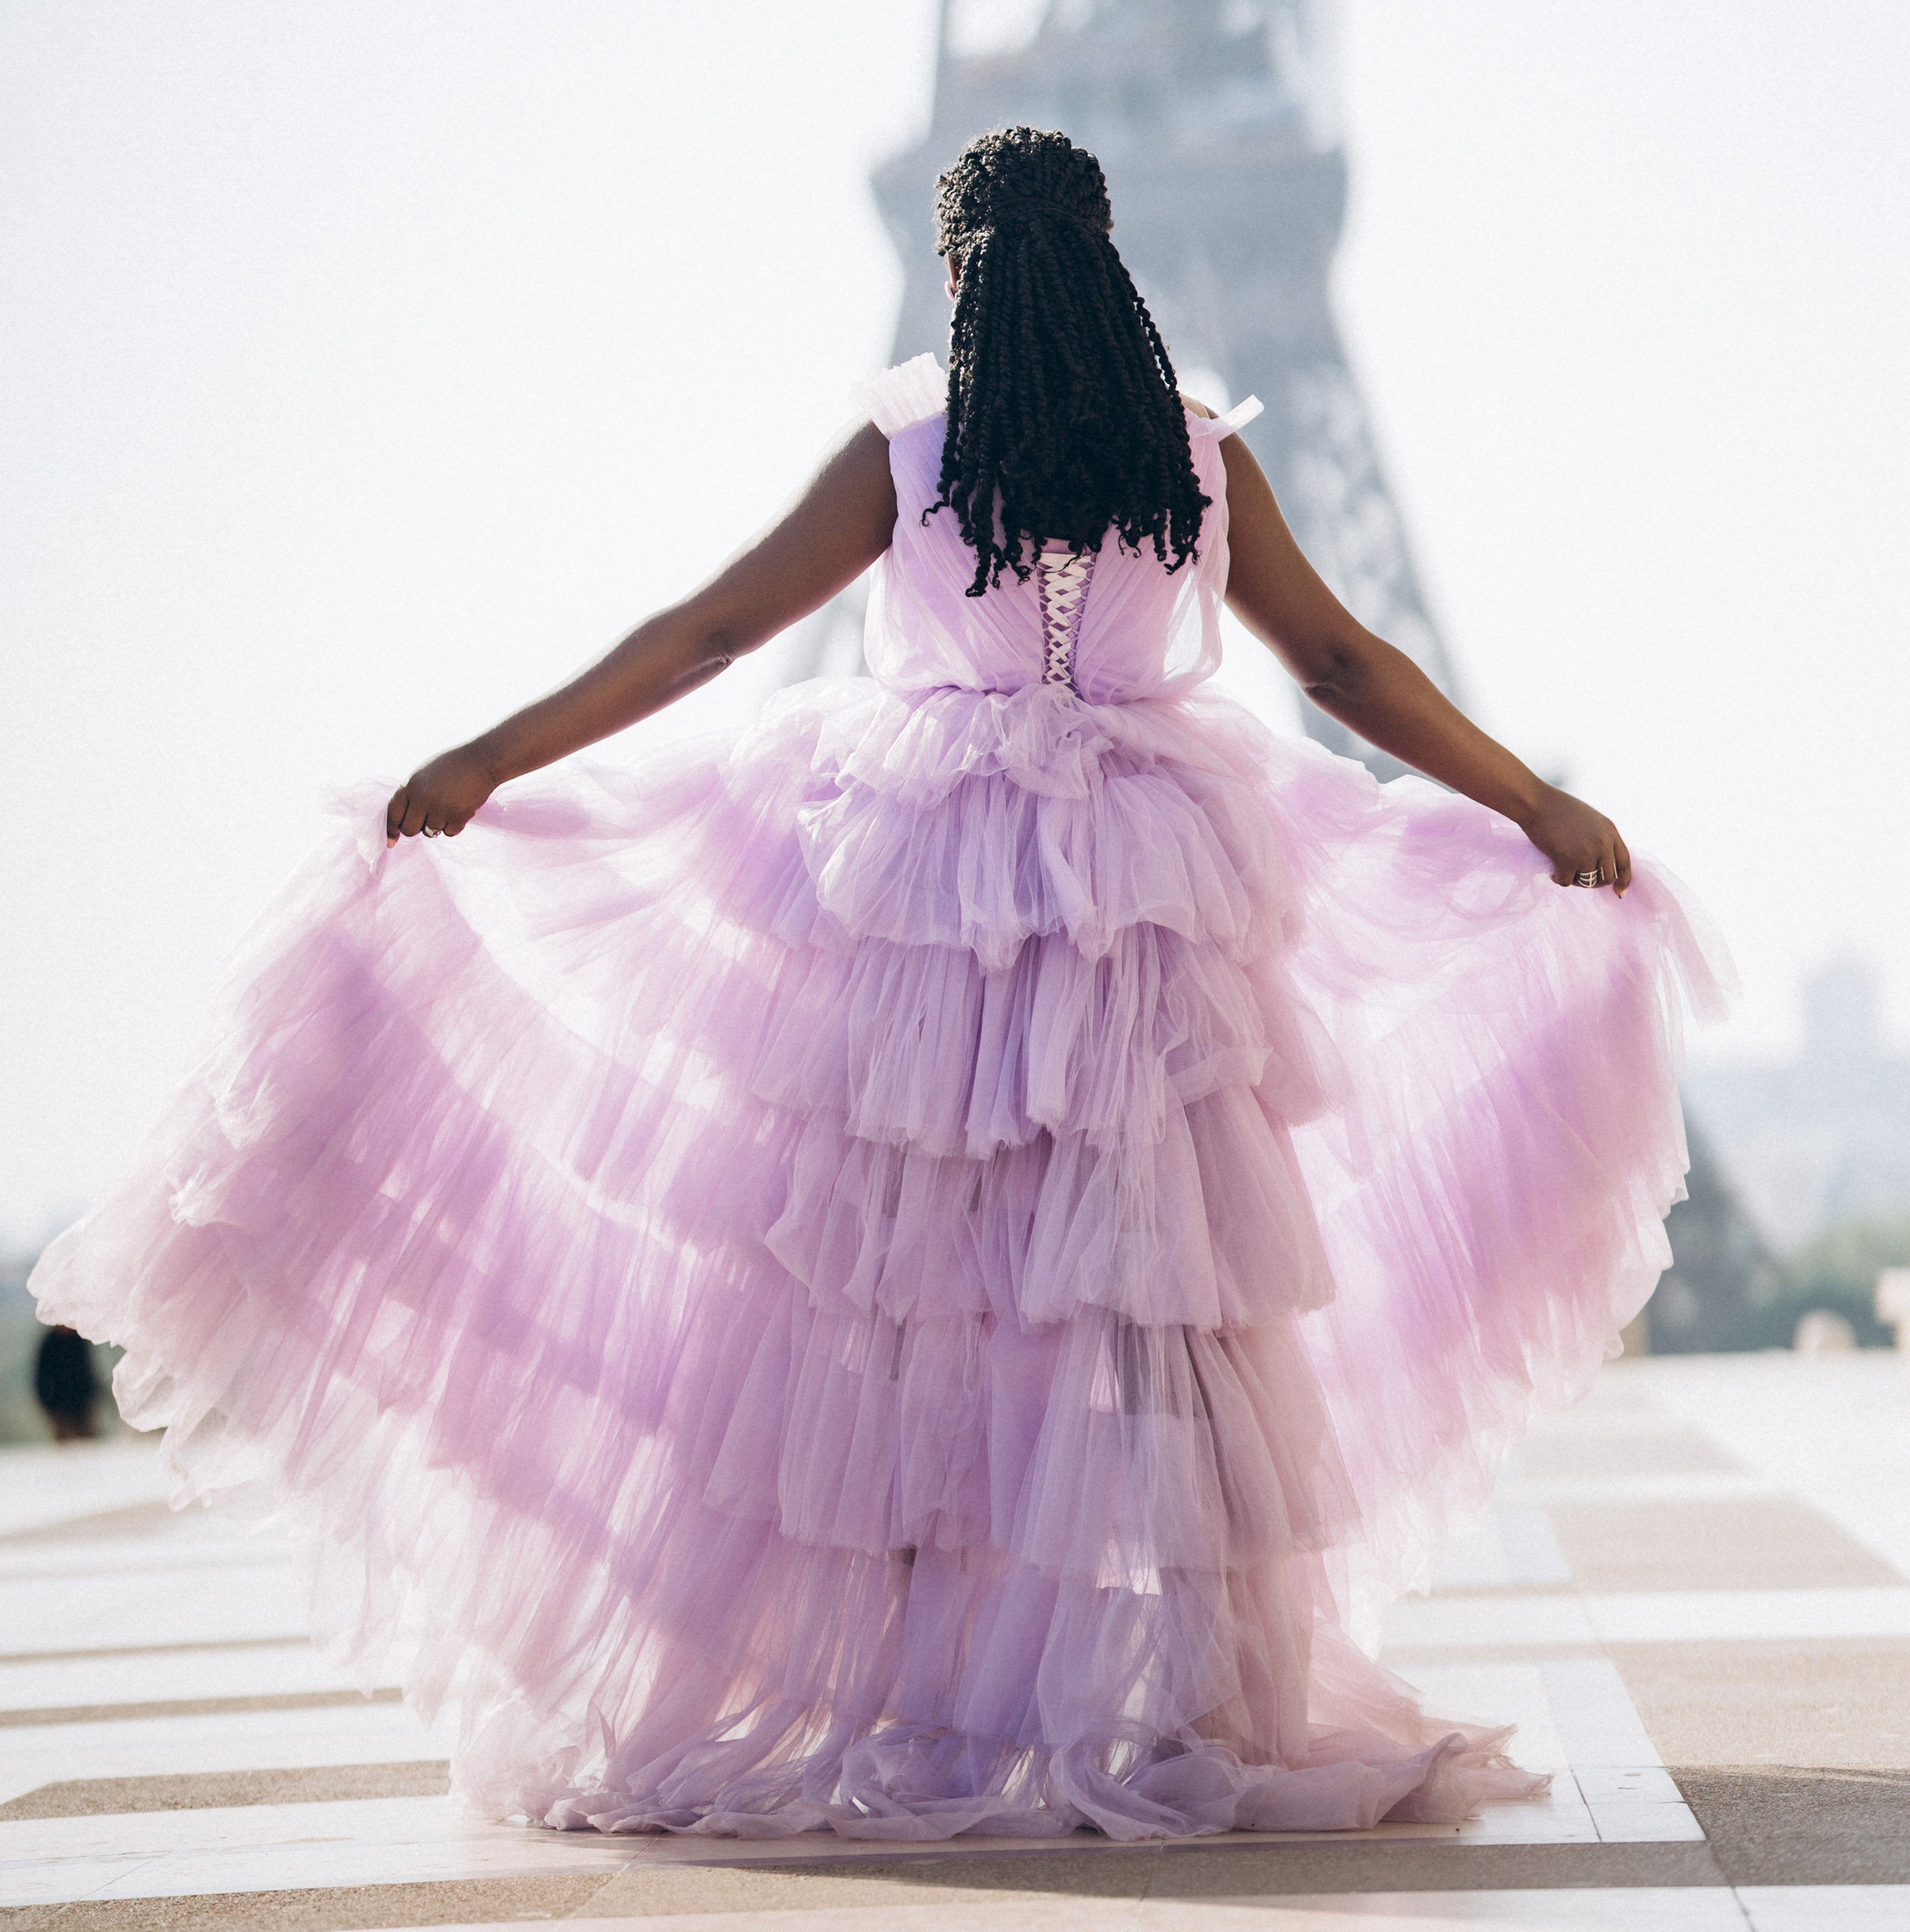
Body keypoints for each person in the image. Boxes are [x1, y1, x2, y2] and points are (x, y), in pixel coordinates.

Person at [32, 124, 1729, 1842]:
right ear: (1111, 264)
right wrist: (1528, 801)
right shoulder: (1201, 463)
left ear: (960, 272)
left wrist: (492, 752)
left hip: (925, 917)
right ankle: (1201, 1701)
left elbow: (705, 635)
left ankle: (914, 1703)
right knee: (1155, 1338)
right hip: (1151, 924)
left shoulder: (909, 453)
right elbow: (1347, 662)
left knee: (900, 1327)